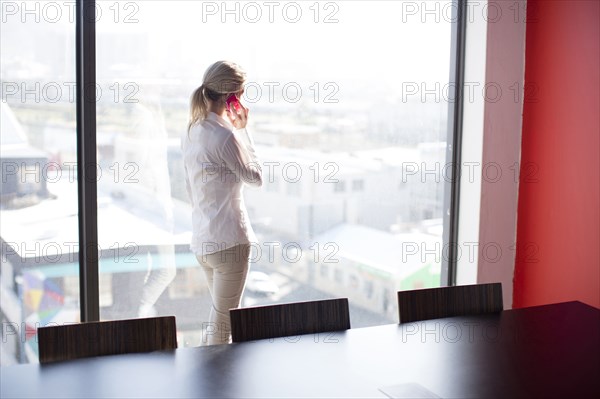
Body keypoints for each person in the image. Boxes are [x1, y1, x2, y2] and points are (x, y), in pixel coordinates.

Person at [181, 61, 263, 345]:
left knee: (219, 324)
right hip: (229, 242)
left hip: (203, 241)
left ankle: (210, 381)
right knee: (221, 329)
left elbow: (189, 187)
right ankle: (206, 385)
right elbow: (256, 177)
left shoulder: (193, 130)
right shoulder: (225, 136)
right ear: (234, 97)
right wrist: (243, 130)